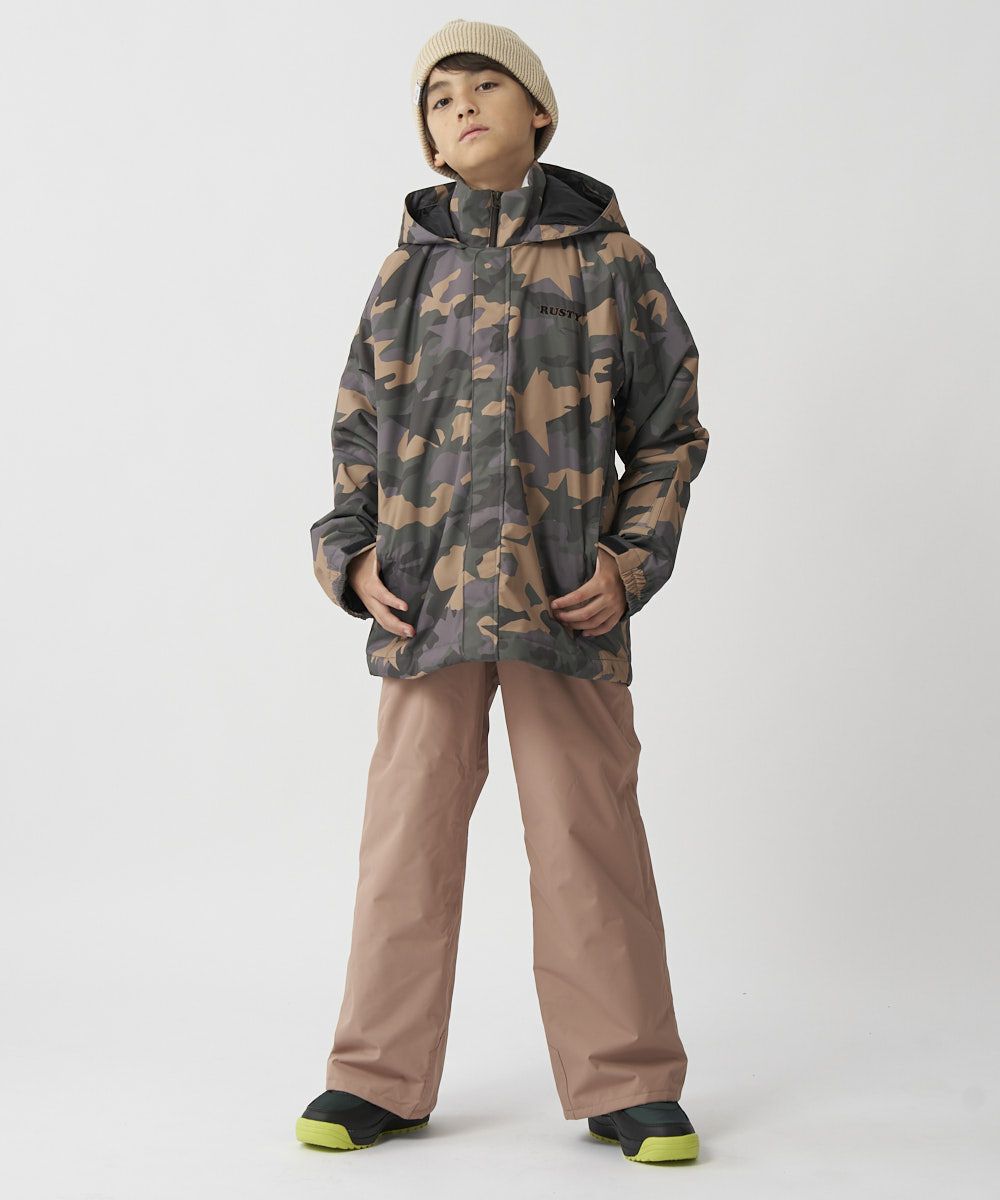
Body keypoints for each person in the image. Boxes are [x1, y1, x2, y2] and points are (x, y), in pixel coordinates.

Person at [296, 18, 709, 1165]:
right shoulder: (404, 276)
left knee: (586, 832)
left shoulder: (613, 265)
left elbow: (669, 433)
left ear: (538, 112)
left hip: (564, 601)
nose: (463, 106)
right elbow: (356, 433)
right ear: (430, 143)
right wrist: (352, 559)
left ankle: (627, 1079)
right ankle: (376, 1077)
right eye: (440, 99)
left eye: (486, 86)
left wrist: (628, 564)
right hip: (423, 603)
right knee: (405, 840)